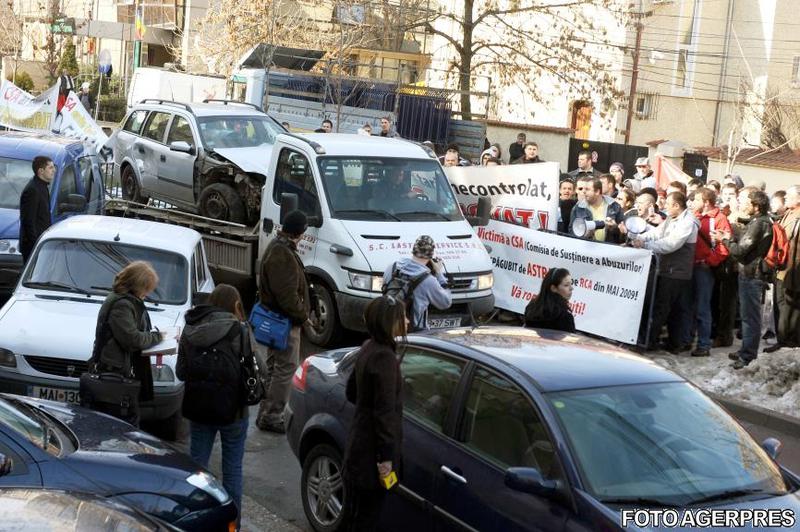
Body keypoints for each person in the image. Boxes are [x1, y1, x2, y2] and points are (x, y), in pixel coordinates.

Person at [177, 284, 252, 517]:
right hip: (234, 411)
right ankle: (232, 522)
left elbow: (181, 372)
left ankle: (195, 518)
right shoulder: (239, 330)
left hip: (198, 408)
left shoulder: (191, 329)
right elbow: (255, 370)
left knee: (198, 467)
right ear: (235, 304)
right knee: (232, 470)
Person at [343, 296, 405, 531]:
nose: (407, 321)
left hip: (357, 451)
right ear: (389, 322)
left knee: (355, 516)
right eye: (402, 317)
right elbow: (385, 413)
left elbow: (352, 392)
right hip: (371, 459)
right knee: (367, 519)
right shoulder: (385, 358)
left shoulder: (368, 347)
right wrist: (386, 459)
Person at [256, 210, 312, 432]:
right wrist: (302, 315)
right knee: (285, 369)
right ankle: (272, 415)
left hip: (278, 320)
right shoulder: (282, 253)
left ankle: (266, 412)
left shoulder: (279, 247)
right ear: (299, 232)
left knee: (275, 367)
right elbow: (286, 295)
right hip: (284, 322)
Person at [90, 261, 164, 426]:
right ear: (138, 286)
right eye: (147, 289)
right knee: (121, 421)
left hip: (119, 368)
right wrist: (157, 337)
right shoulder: (122, 305)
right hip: (115, 372)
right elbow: (132, 339)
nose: (147, 293)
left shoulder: (125, 300)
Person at [713, 189, 773, 369]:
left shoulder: (759, 224)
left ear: (756, 206)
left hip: (752, 274)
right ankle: (745, 350)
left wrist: (724, 239)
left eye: (745, 201)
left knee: (750, 318)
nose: (741, 204)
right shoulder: (758, 221)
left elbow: (740, 250)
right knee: (748, 317)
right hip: (749, 272)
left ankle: (747, 356)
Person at [631, 192, 699, 351]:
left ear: (676, 206)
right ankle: (673, 343)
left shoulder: (687, 222)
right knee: (671, 308)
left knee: (662, 308)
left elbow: (671, 244)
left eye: (667, 204)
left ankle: (649, 342)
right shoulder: (672, 218)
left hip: (676, 272)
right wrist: (641, 238)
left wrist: (646, 245)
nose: (664, 207)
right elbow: (657, 233)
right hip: (668, 269)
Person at [683, 188, 731, 357]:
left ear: (705, 202)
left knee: (703, 307)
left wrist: (708, 261)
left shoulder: (719, 219)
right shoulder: (694, 216)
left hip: (704, 269)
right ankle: (687, 339)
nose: (692, 202)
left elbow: (724, 247)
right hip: (691, 266)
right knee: (689, 305)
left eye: (696, 199)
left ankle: (703, 344)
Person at [382, 235, 451, 332]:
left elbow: (384, 289)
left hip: (387, 324)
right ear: (431, 255)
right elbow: (445, 303)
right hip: (414, 332)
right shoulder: (428, 280)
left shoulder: (392, 267)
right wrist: (439, 274)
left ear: (413, 250)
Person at [773, 185, 800, 350]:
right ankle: (782, 339)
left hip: (794, 269)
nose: (786, 199)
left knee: (791, 307)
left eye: (790, 196)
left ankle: (789, 341)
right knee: (780, 304)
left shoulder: (797, 216)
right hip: (783, 268)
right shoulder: (788, 214)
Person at [19, 156, 55, 264]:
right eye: (50, 168)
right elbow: (29, 222)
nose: (54, 170)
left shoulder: (42, 186)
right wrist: (37, 245)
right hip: (33, 247)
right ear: (41, 171)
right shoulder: (32, 190)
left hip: (41, 243)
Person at [569, 176, 624, 242]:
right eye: (583, 189)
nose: (584, 192)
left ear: (597, 191)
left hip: (609, 249)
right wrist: (585, 235)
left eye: (587, 189)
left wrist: (615, 228)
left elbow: (623, 234)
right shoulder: (578, 208)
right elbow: (572, 232)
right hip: (586, 249)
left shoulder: (614, 206)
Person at [523, 268, 575, 332]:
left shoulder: (532, 307)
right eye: (566, 285)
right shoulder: (565, 317)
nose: (571, 288)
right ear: (553, 288)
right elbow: (569, 341)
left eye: (571, 284)